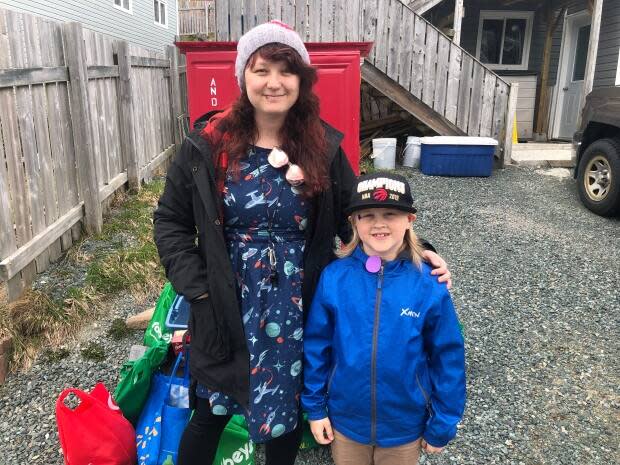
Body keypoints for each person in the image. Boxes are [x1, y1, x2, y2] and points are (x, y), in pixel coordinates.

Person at [153, 21, 452, 465]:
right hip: (223, 300)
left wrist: (415, 248)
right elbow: (170, 222)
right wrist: (197, 288)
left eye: (286, 71)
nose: (274, 83)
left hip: (295, 304)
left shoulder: (322, 147)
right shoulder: (206, 146)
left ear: (301, 81)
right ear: (243, 77)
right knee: (209, 413)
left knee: (284, 417)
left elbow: (355, 218)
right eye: (261, 70)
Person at [302, 172, 466, 465]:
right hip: (347, 424)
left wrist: (443, 422)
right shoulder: (334, 278)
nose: (379, 223)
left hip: (403, 428)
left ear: (409, 220)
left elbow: (448, 357)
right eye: (367, 215)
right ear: (354, 222)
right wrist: (315, 408)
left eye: (390, 213)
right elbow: (317, 348)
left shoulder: (428, 283)